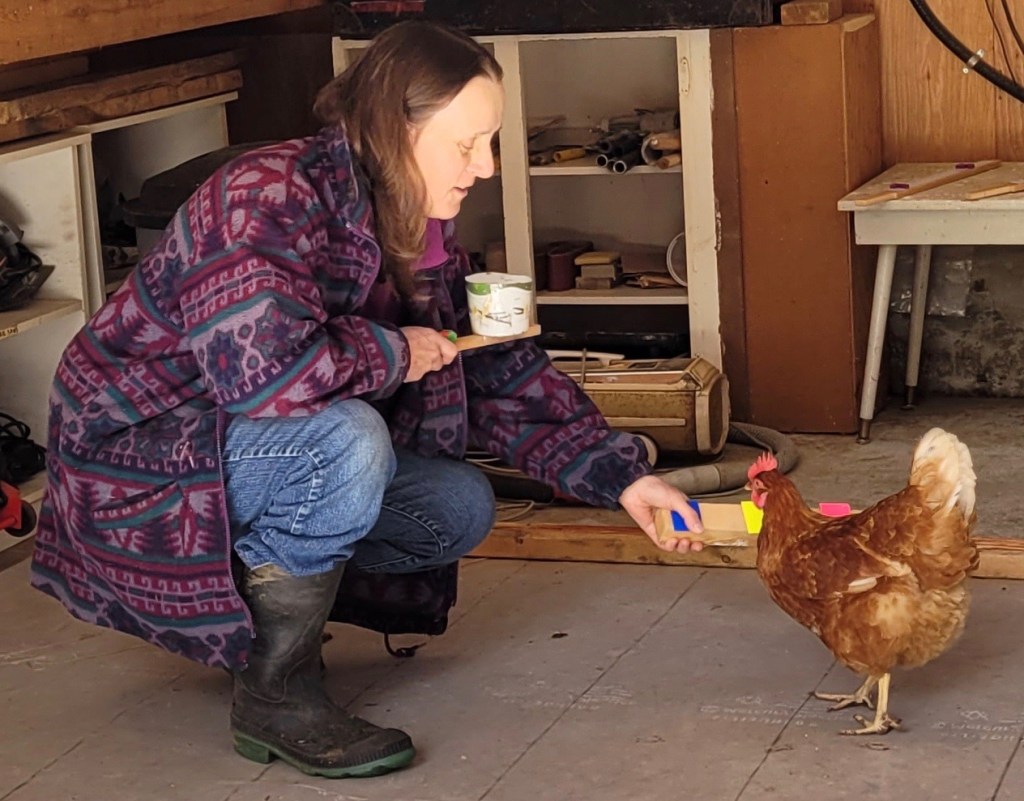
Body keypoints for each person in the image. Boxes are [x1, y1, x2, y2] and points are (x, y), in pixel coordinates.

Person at [29, 20, 705, 780]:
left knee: (456, 506)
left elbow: (495, 370)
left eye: (490, 143)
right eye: (467, 144)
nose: (486, 166)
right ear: (393, 129)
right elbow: (265, 378)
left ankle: (254, 621)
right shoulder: (263, 197)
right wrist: (397, 350)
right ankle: (276, 695)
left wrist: (623, 477)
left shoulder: (414, 225)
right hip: (133, 461)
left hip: (235, 453)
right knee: (345, 442)